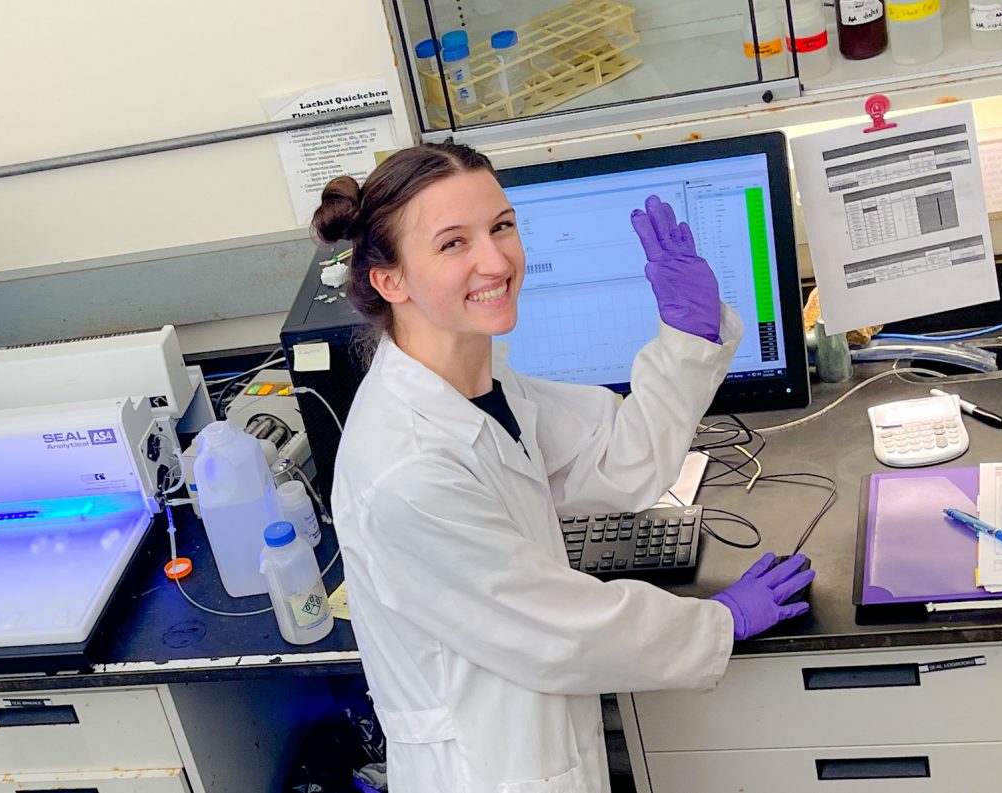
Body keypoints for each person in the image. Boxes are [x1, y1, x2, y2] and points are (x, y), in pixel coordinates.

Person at [315, 142, 814, 792]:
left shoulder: (485, 384)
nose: (496, 260)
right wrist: (718, 621)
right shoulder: (405, 468)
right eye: (452, 243)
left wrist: (687, 333)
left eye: (501, 226)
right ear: (391, 280)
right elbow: (562, 631)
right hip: (486, 769)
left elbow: (621, 457)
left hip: (539, 743)